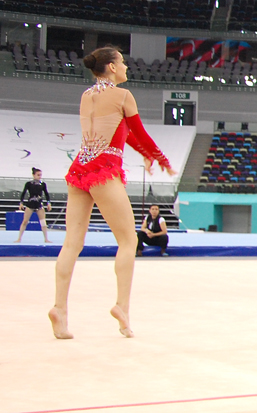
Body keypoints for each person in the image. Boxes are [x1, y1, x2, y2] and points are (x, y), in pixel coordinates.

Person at [51, 46, 176, 340]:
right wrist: (160, 158)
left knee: (72, 243)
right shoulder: (123, 95)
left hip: (79, 169)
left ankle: (60, 309)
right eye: (122, 63)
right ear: (110, 67)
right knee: (128, 239)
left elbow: (123, 134)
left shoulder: (86, 96)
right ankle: (122, 308)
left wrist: (144, 153)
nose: (126, 68)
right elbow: (139, 133)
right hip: (104, 170)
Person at [15, 167, 52, 243]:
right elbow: (23, 193)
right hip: (30, 204)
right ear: (33, 175)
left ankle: (46, 239)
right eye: (38, 175)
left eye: (40, 175)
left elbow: (46, 194)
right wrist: (21, 203)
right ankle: (19, 238)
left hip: (39, 205)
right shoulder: (29, 184)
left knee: (43, 222)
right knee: (25, 221)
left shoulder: (42, 184)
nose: (40, 176)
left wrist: (49, 203)